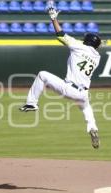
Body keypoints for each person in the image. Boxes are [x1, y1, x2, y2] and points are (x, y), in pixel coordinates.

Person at [19, 1, 102, 149]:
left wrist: (53, 18)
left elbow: (60, 35)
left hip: (69, 88)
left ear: (87, 42)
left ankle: (31, 103)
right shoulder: (97, 57)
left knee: (42, 75)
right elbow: (93, 48)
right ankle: (92, 128)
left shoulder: (79, 46)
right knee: (86, 108)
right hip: (83, 93)